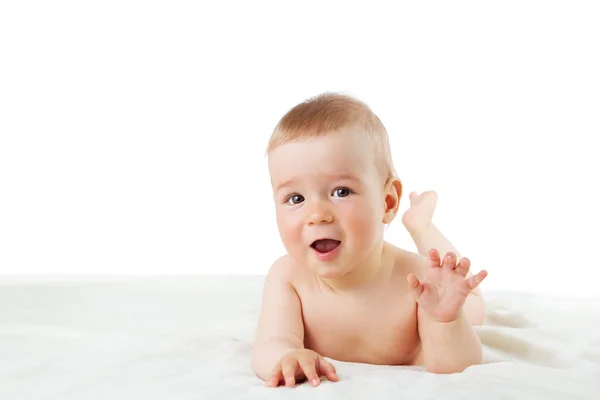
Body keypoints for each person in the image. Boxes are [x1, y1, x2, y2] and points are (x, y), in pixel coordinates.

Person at [251, 92, 488, 387]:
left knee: (468, 300)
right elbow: (270, 343)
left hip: (444, 294)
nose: (317, 215)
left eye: (341, 192)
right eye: (295, 198)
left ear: (387, 202)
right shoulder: (288, 277)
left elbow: (453, 366)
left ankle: (421, 225)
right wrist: (286, 357)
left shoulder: (420, 283)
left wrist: (445, 320)